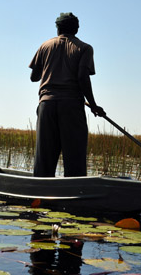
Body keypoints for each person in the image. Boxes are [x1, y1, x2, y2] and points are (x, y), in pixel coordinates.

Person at [29, 12, 105, 178]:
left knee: (44, 158)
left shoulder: (45, 46)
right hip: (71, 106)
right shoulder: (84, 48)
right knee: (75, 157)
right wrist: (93, 105)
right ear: (76, 29)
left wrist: (50, 66)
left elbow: (34, 77)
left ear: (58, 28)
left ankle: (40, 190)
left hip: (46, 106)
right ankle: (75, 192)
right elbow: (82, 78)